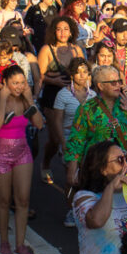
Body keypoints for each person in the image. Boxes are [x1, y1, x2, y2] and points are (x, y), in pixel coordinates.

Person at [0, 65, 44, 254]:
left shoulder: (25, 101)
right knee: (3, 201)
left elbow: (39, 123)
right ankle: (4, 241)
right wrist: (3, 98)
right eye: (14, 83)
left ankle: (20, 244)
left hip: (22, 151)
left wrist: (29, 99)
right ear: (5, 83)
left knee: (23, 200)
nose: (19, 87)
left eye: (22, 82)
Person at [64, 65, 127, 184]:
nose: (118, 85)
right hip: (98, 168)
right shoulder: (86, 109)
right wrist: (72, 173)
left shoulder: (125, 103)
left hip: (124, 165)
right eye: (113, 83)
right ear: (101, 86)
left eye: (119, 81)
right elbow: (76, 141)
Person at [38, 16, 83, 179]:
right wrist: (54, 80)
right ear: (53, 31)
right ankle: (45, 163)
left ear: (71, 31)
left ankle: (72, 170)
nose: (63, 33)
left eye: (66, 29)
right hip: (52, 97)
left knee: (74, 133)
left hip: (73, 97)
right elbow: (40, 76)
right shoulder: (46, 49)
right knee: (55, 137)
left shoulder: (76, 49)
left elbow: (83, 71)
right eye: (59, 29)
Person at [53, 57, 97, 228]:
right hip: (69, 140)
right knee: (72, 179)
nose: (81, 75)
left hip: (89, 143)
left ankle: (86, 208)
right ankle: (72, 209)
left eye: (85, 72)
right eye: (78, 72)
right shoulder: (63, 94)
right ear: (71, 74)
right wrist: (63, 143)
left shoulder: (93, 95)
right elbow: (57, 121)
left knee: (87, 177)